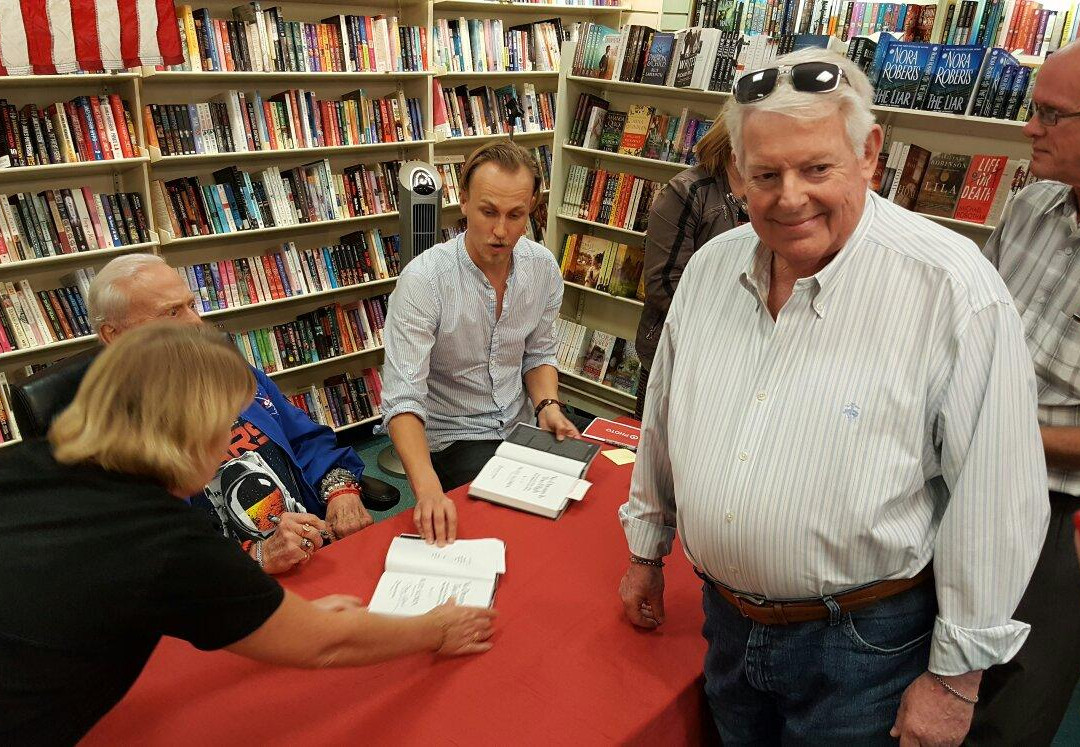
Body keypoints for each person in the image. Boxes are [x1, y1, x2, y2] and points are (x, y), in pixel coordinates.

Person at [617, 47, 1049, 745]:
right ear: (737, 174)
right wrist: (645, 548)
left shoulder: (951, 289)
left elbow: (996, 498)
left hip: (863, 647)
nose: (790, 197)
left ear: (869, 153)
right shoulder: (708, 270)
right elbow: (665, 417)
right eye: (765, 174)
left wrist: (954, 679)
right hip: (725, 624)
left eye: (817, 168)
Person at [0, 323, 496, 746]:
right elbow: (324, 646)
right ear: (188, 432)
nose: (226, 448)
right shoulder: (162, 538)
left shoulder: (30, 463)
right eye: (223, 427)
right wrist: (435, 629)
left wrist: (279, 614)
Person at [88, 254, 372, 575]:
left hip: (314, 548)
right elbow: (153, 556)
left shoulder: (231, 374)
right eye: (171, 312)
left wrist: (341, 493)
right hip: (230, 591)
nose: (195, 322)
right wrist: (259, 558)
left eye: (191, 305)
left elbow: (307, 441)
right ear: (113, 335)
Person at [381, 140, 578, 546]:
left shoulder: (542, 268)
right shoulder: (424, 281)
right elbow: (402, 400)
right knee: (509, 530)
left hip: (521, 420)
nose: (501, 231)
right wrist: (429, 491)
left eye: (515, 215)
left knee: (580, 504)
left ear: (531, 211)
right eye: (488, 212)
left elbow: (539, 353)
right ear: (464, 202)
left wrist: (548, 405)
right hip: (456, 436)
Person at [968, 40, 1080, 745]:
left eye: (1050, 114)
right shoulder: (1032, 206)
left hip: (1058, 520)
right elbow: (971, 324)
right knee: (927, 677)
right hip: (971, 479)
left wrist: (1008, 428)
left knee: (1010, 713)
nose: (1028, 128)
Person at [634, 108, 744, 418]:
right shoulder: (687, 191)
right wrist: (731, 322)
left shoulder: (767, 196)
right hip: (676, 355)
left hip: (733, 362)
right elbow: (662, 285)